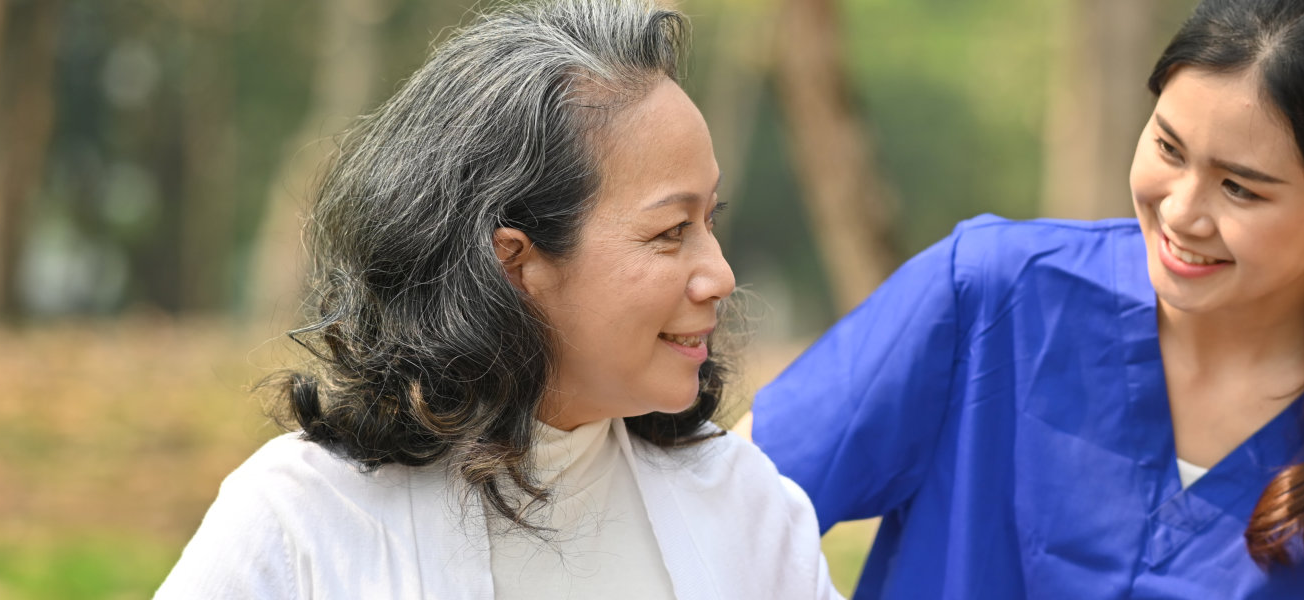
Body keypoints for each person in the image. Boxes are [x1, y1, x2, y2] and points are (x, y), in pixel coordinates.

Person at [749, 0, 1304, 597]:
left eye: (1241, 188)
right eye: (1167, 147)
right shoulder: (987, 297)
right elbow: (717, 511)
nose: (1182, 211)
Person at [156, 1, 837, 598]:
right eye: (670, 232)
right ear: (513, 260)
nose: (718, 275)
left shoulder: (747, 508)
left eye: (710, 220)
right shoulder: (301, 522)